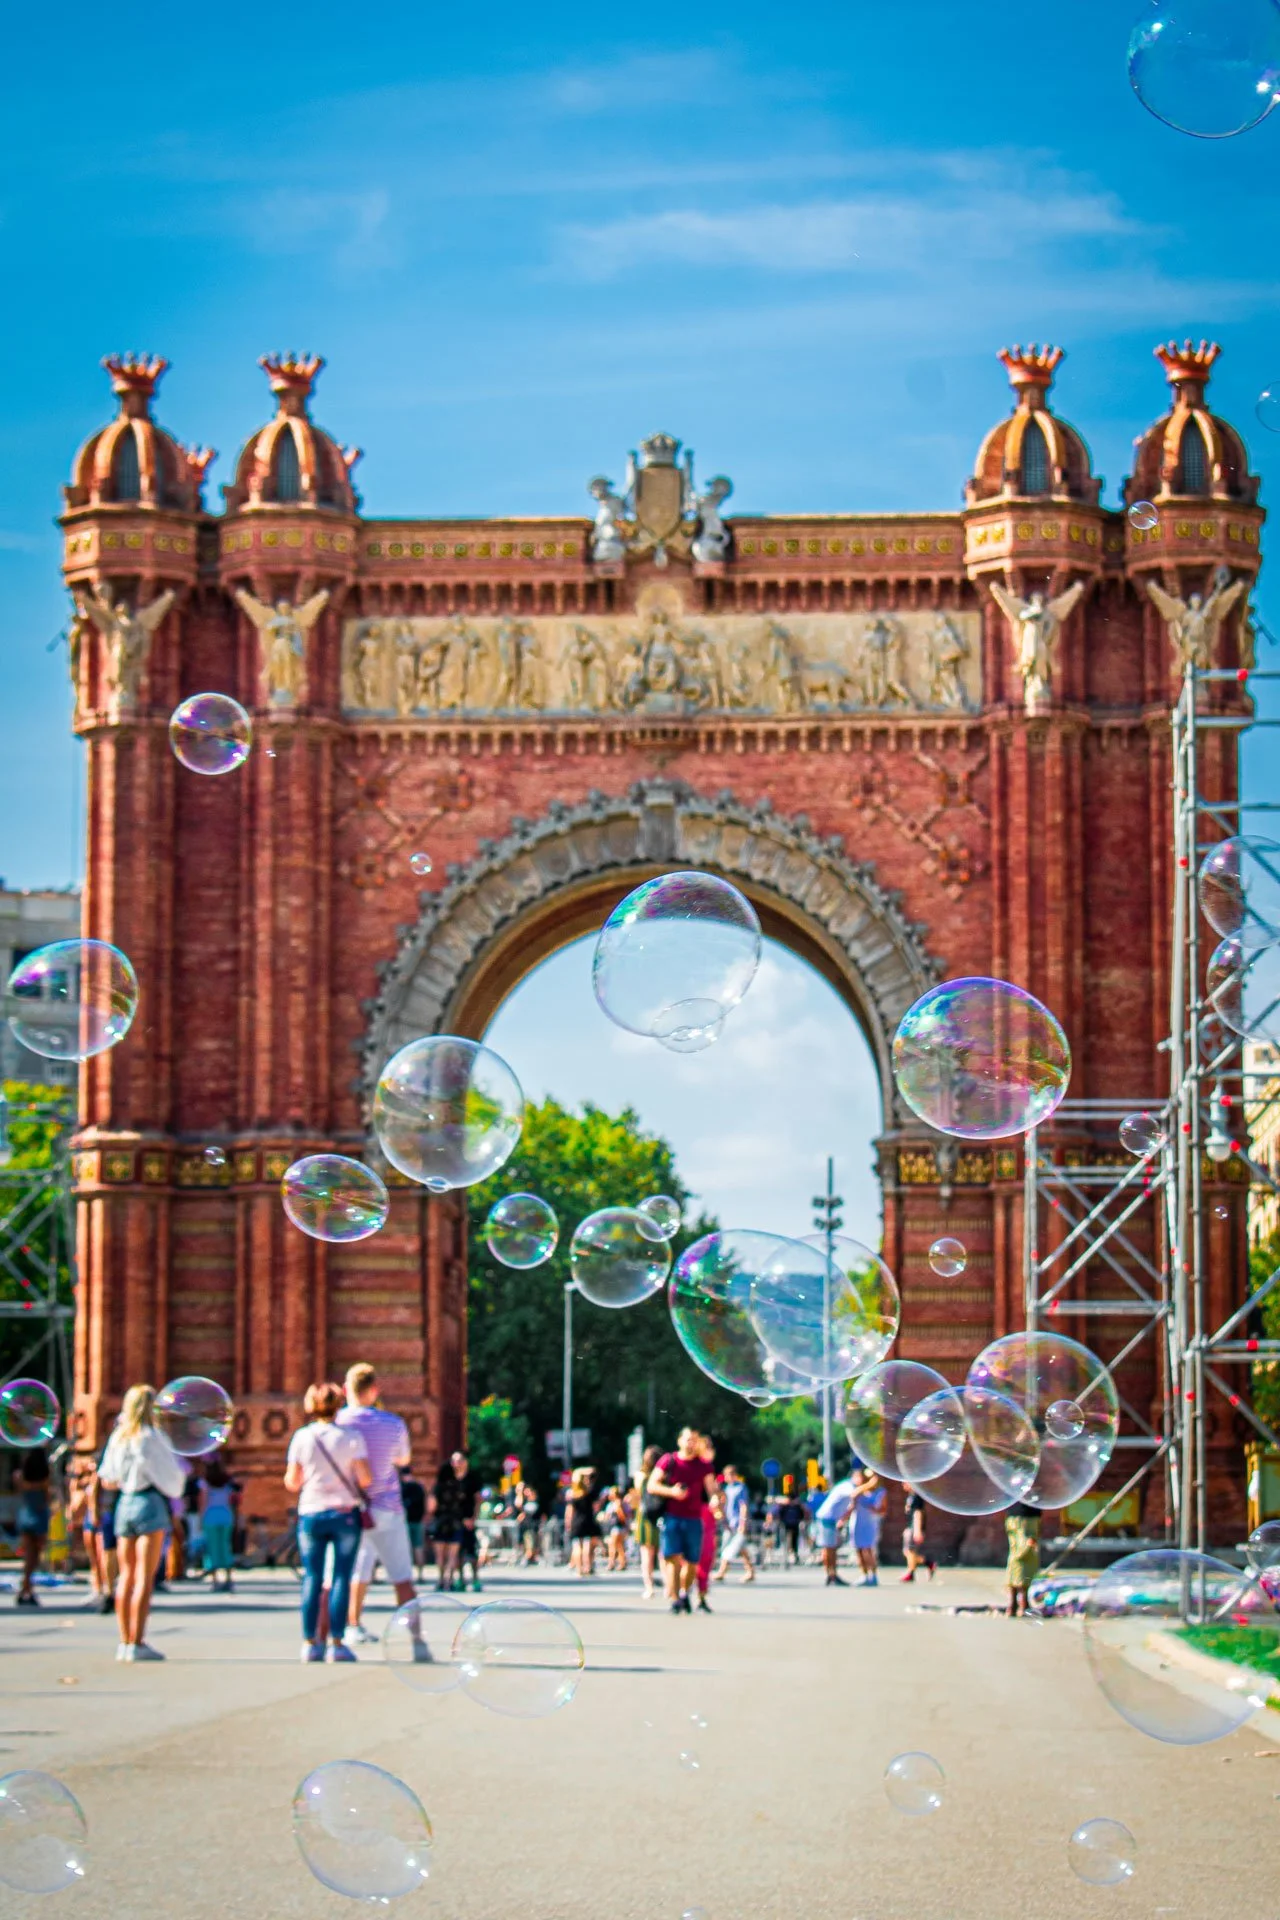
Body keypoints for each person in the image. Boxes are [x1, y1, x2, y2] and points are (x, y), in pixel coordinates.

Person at [284, 1380, 372, 1663]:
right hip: (345, 1515)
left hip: (311, 1513)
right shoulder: (352, 1437)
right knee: (341, 1579)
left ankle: (310, 1643)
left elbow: (292, 1481)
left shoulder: (302, 1437)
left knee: (312, 1577)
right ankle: (336, 1643)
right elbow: (365, 1478)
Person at [99, 1383, 188, 1661]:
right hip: (149, 1503)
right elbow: (172, 1481)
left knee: (125, 1575)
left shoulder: (119, 1437)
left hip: (124, 1504)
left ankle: (124, 1642)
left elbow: (107, 1479)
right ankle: (138, 1641)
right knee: (144, 1578)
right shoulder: (152, 1437)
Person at [336, 1363, 416, 1644]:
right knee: (401, 1574)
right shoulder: (394, 1424)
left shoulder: (338, 1424)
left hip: (353, 1508)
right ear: (374, 1391)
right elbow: (403, 1460)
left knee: (358, 1571)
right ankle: (415, 1637)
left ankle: (352, 1625)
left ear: (347, 1389)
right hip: (389, 1507)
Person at [647, 1428, 718, 1615]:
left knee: (692, 1561)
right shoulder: (668, 1461)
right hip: (672, 1517)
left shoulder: (703, 1465)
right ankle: (676, 1599)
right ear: (679, 1441)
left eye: (694, 1440)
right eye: (688, 1439)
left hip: (694, 1519)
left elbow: (712, 1489)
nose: (691, 1443)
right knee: (672, 1560)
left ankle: (685, 1593)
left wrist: (715, 1499)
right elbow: (652, 1485)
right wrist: (672, 1492)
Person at [430, 1449, 482, 1592]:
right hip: (456, 1521)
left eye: (459, 1461)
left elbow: (477, 1500)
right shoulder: (452, 1484)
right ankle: (456, 1579)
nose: (456, 1464)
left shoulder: (471, 1479)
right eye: (454, 1461)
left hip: (462, 1520)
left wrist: (473, 1518)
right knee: (454, 1554)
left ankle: (470, 1579)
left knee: (470, 1552)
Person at [15, 1446, 51, 1607]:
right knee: (34, 1556)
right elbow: (48, 1496)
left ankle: (26, 1587)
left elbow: (19, 1490)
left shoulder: (20, 1476)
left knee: (27, 1555)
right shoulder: (44, 1478)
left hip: (25, 1513)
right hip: (39, 1514)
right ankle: (27, 1588)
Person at [713, 1464, 756, 1584]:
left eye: (729, 1474)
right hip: (729, 1522)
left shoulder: (740, 1488)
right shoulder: (727, 1488)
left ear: (734, 1475)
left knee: (728, 1546)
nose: (727, 1477)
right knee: (740, 1547)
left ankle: (722, 1571)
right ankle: (750, 1571)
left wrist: (743, 1522)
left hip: (737, 1522)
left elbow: (743, 1505)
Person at [200, 1457, 237, 1593]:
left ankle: (215, 1581)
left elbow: (203, 1502)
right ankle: (229, 1579)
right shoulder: (227, 1483)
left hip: (210, 1516)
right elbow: (232, 1501)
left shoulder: (205, 1483)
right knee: (225, 1546)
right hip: (226, 1515)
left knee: (212, 1548)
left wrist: (200, 1519)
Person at [813, 1472, 857, 1587]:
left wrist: (843, 1518)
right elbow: (854, 1494)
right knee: (829, 1548)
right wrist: (870, 1484)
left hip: (830, 1520)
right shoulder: (848, 1486)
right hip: (826, 1519)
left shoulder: (846, 1485)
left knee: (831, 1548)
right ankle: (831, 1575)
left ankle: (832, 1574)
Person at [694, 1436, 720, 1612]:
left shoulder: (707, 1469)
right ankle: (686, 1593)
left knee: (706, 1556)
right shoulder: (699, 1468)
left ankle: (700, 1594)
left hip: (706, 1515)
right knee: (698, 1556)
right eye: (707, 1446)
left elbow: (714, 1494)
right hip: (697, 1514)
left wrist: (717, 1500)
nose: (711, 1449)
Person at [632, 1445, 662, 1599]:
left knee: (646, 1554)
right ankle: (670, 1586)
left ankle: (649, 1587)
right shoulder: (664, 1475)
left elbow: (637, 1496)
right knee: (664, 1553)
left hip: (645, 1516)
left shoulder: (640, 1476)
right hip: (662, 1514)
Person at [1004, 1501, 1041, 1617]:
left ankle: (1014, 1604)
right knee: (1025, 1556)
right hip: (1026, 1517)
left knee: (1017, 1556)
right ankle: (1021, 1604)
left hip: (1015, 1514)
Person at [850, 1469, 886, 1586]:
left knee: (869, 1550)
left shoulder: (881, 1492)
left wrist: (876, 1510)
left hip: (871, 1524)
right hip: (857, 1523)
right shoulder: (860, 1491)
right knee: (859, 1550)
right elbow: (853, 1495)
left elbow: (884, 1510)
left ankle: (873, 1575)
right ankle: (864, 1575)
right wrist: (868, 1485)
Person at [566, 1465, 602, 1577]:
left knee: (577, 1546)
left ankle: (579, 1569)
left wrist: (568, 1523)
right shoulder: (589, 1493)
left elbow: (570, 1511)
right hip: (588, 1520)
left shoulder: (573, 1495)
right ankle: (588, 1566)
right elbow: (596, 1506)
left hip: (576, 1522)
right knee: (587, 1545)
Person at [900, 1484, 936, 1582]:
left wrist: (917, 1530)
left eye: (905, 1482)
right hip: (910, 1527)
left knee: (910, 1551)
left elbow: (918, 1513)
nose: (903, 1485)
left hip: (914, 1527)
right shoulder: (910, 1496)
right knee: (907, 1552)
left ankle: (910, 1573)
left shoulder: (916, 1496)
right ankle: (929, 1563)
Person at [400, 1467, 428, 1574]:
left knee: (408, 1549)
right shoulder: (419, 1487)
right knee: (418, 1547)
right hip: (418, 1520)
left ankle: (408, 1574)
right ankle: (420, 1574)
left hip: (405, 1521)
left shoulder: (401, 1487)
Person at [602, 1484, 630, 1571]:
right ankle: (622, 1562)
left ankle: (611, 1563)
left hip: (616, 1527)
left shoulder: (616, 1503)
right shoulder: (622, 1502)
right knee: (619, 1546)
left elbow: (620, 1515)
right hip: (621, 1527)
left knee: (612, 1546)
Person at [514, 1477, 541, 1565]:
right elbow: (518, 1505)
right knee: (525, 1542)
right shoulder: (525, 1501)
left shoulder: (535, 1501)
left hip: (532, 1526)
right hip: (524, 1526)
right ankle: (528, 1557)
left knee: (531, 1543)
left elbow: (529, 1511)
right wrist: (519, 1492)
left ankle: (529, 1557)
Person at [779, 1481, 804, 1565]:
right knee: (789, 1539)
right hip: (788, 1523)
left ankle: (793, 1554)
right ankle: (789, 1554)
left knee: (793, 1540)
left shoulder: (796, 1503)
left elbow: (801, 1512)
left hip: (794, 1522)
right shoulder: (786, 1502)